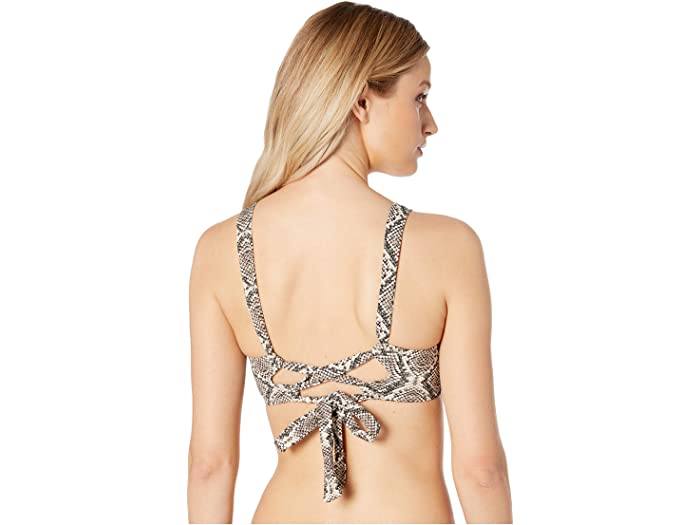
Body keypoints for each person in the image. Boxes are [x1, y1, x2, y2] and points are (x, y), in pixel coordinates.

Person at [187, 2, 512, 523]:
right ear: (361, 101)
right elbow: (481, 469)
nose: (431, 124)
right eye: (419, 97)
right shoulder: (447, 247)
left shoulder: (221, 249)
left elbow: (210, 465)